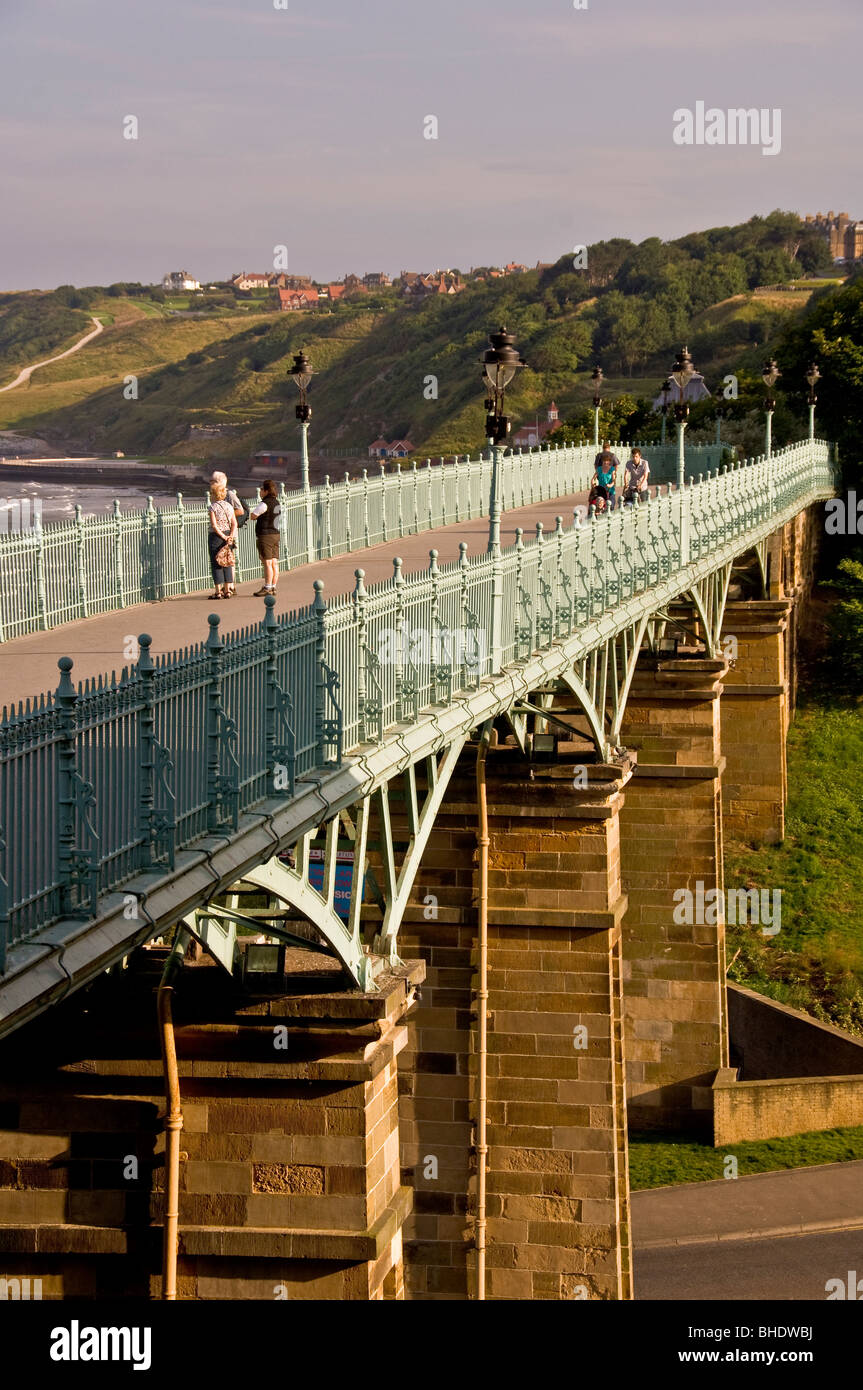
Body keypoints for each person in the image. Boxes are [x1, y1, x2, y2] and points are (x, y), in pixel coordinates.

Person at [250, 479, 282, 597]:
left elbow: (253, 516)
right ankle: (273, 587)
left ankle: (267, 587)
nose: (260, 491)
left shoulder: (264, 503)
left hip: (265, 535)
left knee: (267, 562)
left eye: (262, 489)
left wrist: (253, 516)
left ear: (266, 491)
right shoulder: (277, 502)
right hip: (275, 534)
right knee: (274, 562)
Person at [208, 477, 238, 599]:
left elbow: (214, 526)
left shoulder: (212, 507)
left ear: (213, 495)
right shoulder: (229, 506)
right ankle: (228, 590)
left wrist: (222, 536)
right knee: (227, 561)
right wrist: (230, 535)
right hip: (228, 536)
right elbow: (234, 523)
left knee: (216, 562)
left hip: (216, 537)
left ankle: (218, 591)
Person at [593, 441, 619, 508]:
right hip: (609, 475)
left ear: (603, 448)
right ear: (609, 448)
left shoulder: (599, 455)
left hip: (602, 475)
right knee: (610, 499)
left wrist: (599, 473)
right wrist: (614, 472)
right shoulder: (612, 455)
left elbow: (595, 466)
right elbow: (616, 465)